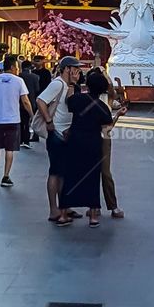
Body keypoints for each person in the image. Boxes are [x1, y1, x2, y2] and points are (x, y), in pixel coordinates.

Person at [59, 72, 113, 227]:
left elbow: (67, 101)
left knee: (70, 175)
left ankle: (63, 214)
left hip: (74, 141)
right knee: (92, 178)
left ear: (87, 85)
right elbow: (106, 128)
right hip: (93, 143)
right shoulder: (103, 107)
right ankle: (93, 216)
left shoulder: (77, 99)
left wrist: (70, 83)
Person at [37, 55, 82, 222]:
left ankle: (65, 205)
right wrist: (49, 121)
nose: (77, 71)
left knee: (65, 172)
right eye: (75, 68)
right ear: (67, 69)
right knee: (55, 171)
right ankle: (53, 209)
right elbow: (40, 100)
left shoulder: (69, 86)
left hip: (66, 132)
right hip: (56, 133)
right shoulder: (57, 84)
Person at [0, 54, 32, 187]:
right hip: (13, 119)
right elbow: (25, 101)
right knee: (10, 148)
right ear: (12, 67)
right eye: (16, 66)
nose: (17, 69)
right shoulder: (18, 81)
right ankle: (6, 176)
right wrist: (31, 114)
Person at [95, 69, 127, 219]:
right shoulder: (105, 99)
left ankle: (99, 206)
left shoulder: (105, 97)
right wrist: (118, 116)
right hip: (102, 135)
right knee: (103, 172)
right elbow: (108, 127)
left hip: (94, 135)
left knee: (99, 172)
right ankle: (105, 206)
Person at [19, 58, 39, 149]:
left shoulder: (18, 77)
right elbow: (37, 90)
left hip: (18, 102)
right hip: (31, 101)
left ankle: (19, 140)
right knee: (27, 122)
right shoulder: (35, 77)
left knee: (19, 122)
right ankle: (26, 140)